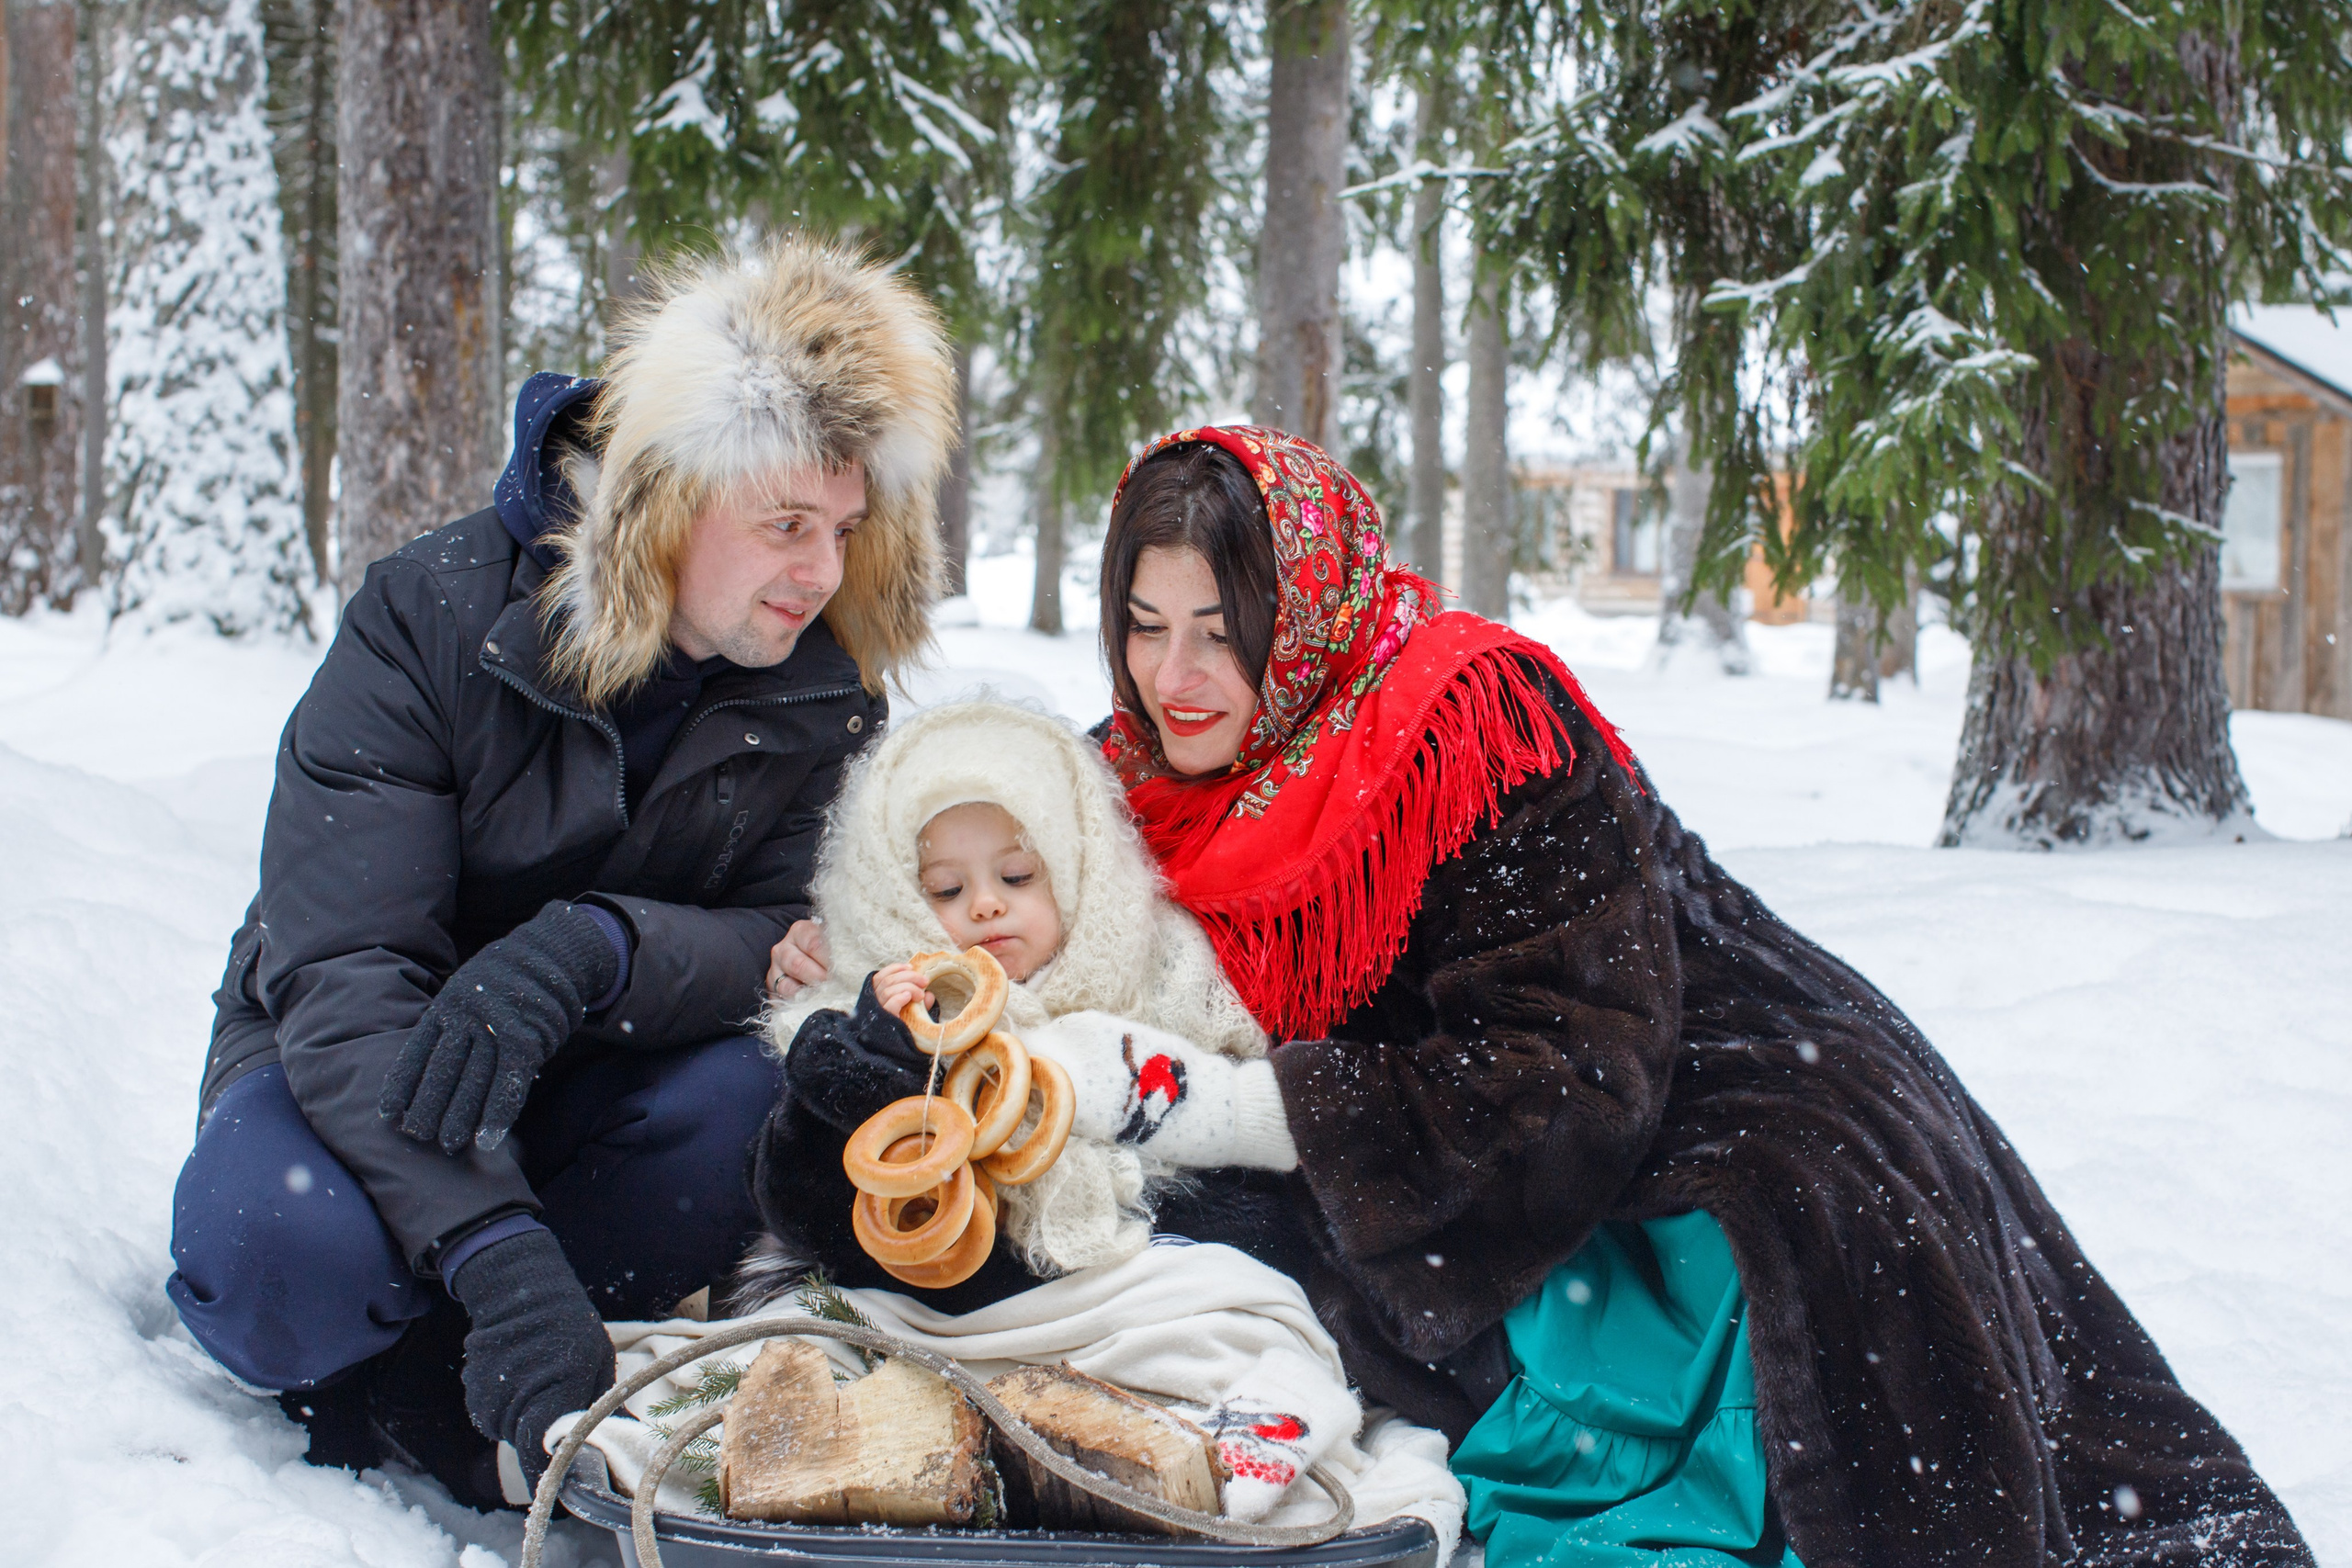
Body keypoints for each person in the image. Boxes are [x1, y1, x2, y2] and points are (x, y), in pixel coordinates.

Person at [1086, 427, 2309, 1565]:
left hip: (1706, 1074)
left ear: (1297, 620)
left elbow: (1568, 1069)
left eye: (1219, 629)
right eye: (1146, 626)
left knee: (1823, 1304)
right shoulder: (1120, 774)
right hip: (1439, 1128)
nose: (1176, 676)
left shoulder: (1473, 727)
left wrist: (1250, 1108)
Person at [164, 236, 956, 1506]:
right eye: (787, 525)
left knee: (760, 1108)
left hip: (599, 1075)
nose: (820, 570)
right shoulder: (428, 613)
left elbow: (773, 924)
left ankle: (428, 1384)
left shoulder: (821, 682)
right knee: (273, 1257)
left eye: (847, 529)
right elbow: (342, 963)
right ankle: (447, 1331)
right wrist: (498, 1249)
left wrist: (596, 949)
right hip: (354, 1063)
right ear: (672, 495)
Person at [742, 698, 1306, 1312]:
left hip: (1132, 1294)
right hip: (944, 1309)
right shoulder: (871, 1007)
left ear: (1074, 874)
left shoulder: (1160, 981)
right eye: (947, 890)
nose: (986, 904)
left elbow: (1236, 1158)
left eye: (1016, 876)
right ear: (895, 899)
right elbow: (807, 1211)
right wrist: (870, 1063)